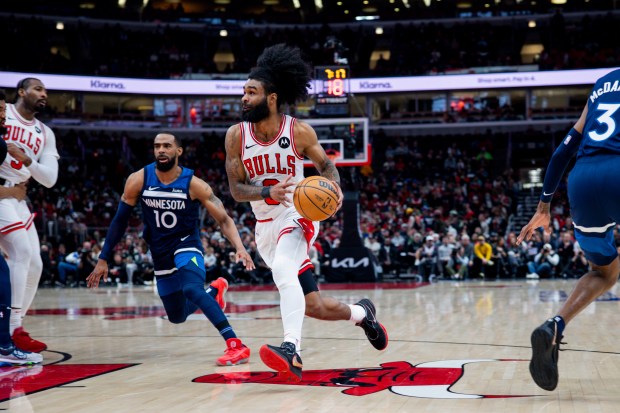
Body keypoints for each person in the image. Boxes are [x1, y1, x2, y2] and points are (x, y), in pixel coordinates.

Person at [225, 44, 387, 382]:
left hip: (297, 215)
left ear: (271, 98)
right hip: (264, 225)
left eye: (251, 92)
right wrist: (266, 191)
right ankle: (363, 314)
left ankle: (291, 349)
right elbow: (236, 190)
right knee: (312, 305)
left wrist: (334, 188)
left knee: (284, 268)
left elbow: (327, 166)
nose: (243, 97)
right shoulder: (235, 137)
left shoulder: (298, 131)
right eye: (243, 91)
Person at [87, 133, 255, 366]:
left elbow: (224, 219)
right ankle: (214, 293)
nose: (161, 150)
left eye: (167, 146)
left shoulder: (194, 184)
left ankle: (236, 344)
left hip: (187, 244)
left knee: (191, 289)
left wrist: (240, 247)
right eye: (157, 146)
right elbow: (119, 220)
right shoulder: (139, 179)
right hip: (160, 251)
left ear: (179, 151)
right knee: (176, 316)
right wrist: (103, 258)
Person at [517, 67, 620, 391]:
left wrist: (544, 206)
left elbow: (563, 150)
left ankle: (555, 325)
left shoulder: (603, 84)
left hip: (583, 180)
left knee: (604, 273)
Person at [0, 78, 59, 353]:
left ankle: (15, 327)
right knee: (21, 253)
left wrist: (26, 159)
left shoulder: (44, 132)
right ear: (21, 92)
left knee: (35, 264)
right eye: (38, 89)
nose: (43, 94)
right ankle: (10, 331)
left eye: (46, 91)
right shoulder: (4, 112)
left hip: (19, 196)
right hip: (2, 191)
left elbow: (49, 179)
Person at [0, 89, 42, 364]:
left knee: (24, 264)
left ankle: (11, 334)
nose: (3, 115)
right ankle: (9, 337)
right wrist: (10, 193)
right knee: (18, 258)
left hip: (11, 200)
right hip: (6, 198)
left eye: (4, 110)